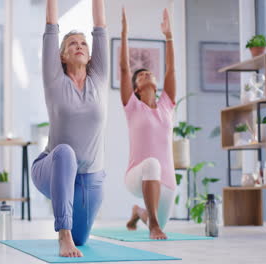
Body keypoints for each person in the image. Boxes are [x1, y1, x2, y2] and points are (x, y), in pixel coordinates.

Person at [31, 0, 108, 257]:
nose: (79, 46)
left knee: (82, 240)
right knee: (65, 152)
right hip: (51, 168)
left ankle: (71, 235)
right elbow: (51, 28)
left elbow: (100, 28)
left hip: (90, 178)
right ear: (62, 55)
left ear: (90, 54)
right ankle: (62, 235)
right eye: (72, 43)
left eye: (83, 43)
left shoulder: (98, 77)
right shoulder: (54, 78)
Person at [120, 7, 176, 240]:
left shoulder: (166, 105)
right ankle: (153, 225)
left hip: (166, 180)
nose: (146, 74)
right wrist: (124, 34)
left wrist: (169, 36)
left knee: (163, 219)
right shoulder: (132, 106)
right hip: (136, 174)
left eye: (148, 73)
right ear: (135, 89)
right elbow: (124, 69)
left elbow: (171, 69)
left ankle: (141, 213)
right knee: (152, 163)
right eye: (140, 75)